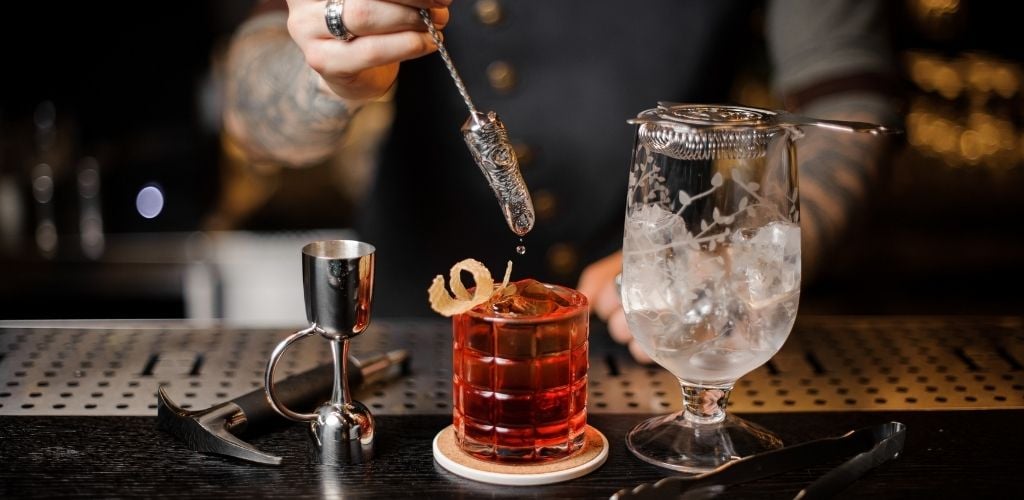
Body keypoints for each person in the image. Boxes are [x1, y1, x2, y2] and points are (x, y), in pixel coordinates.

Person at [223, 0, 899, 362]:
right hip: (417, 351)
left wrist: (743, 263)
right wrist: (330, 74)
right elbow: (252, 118)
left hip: (667, 338)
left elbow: (851, 108)